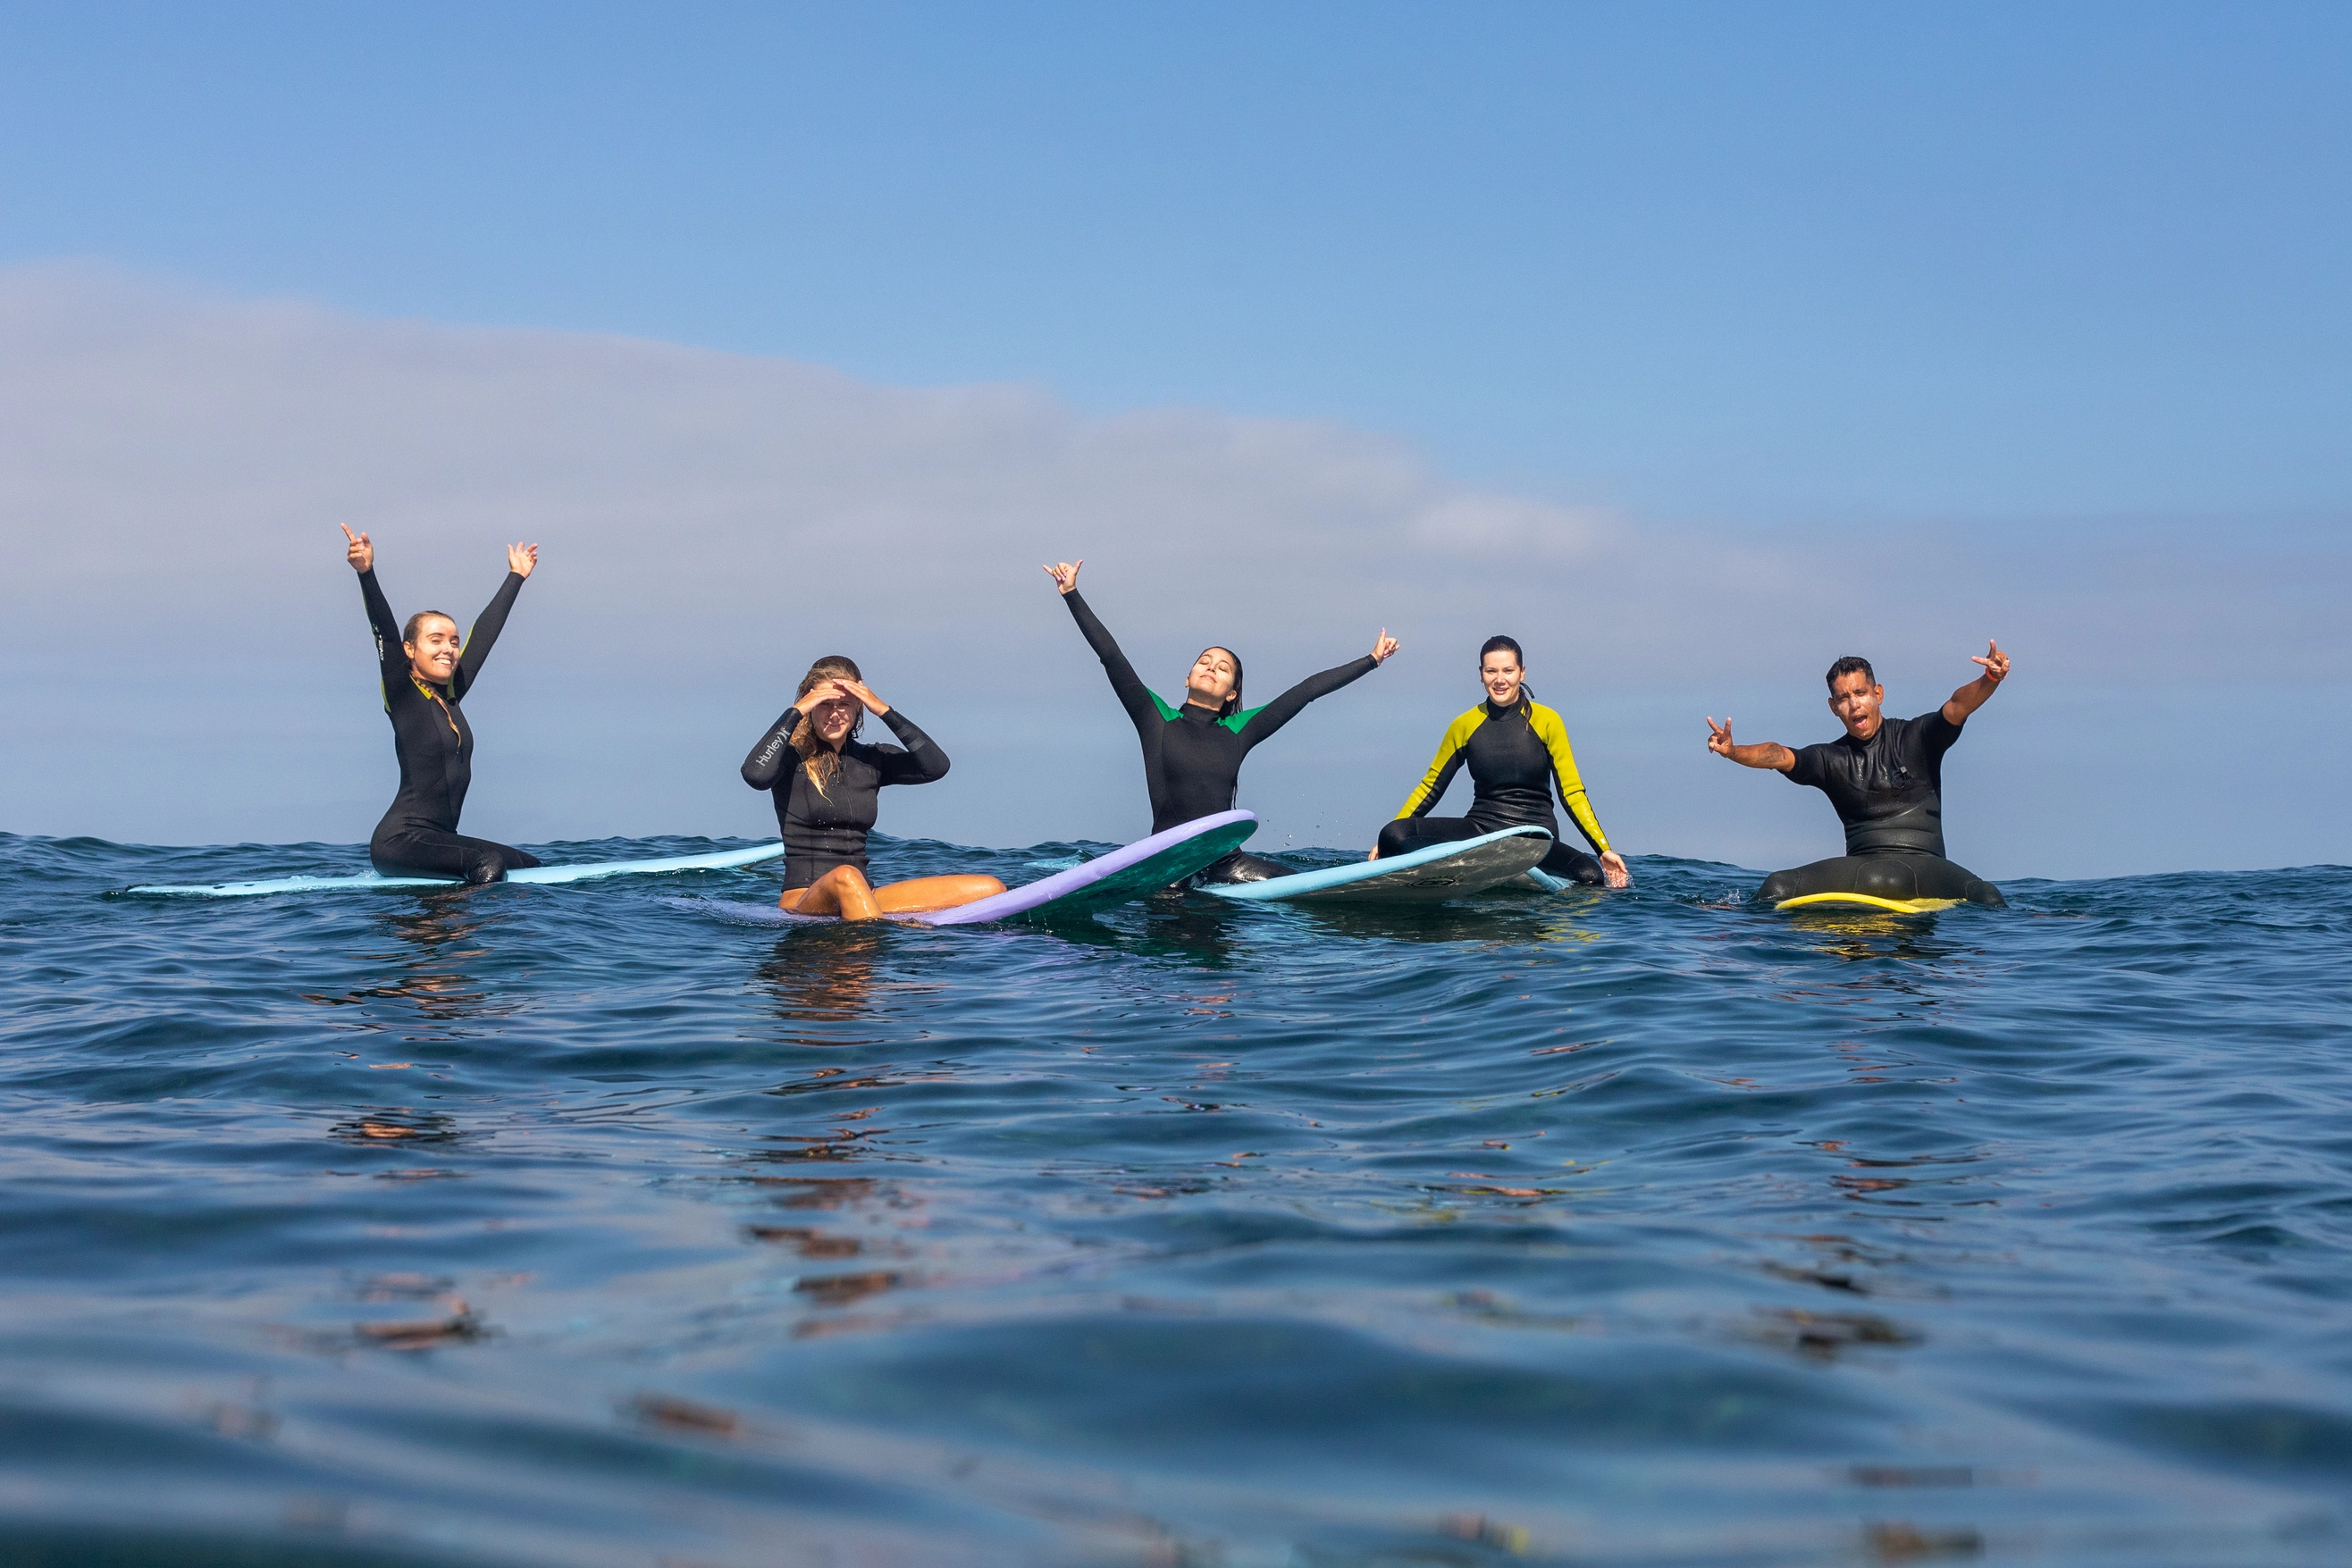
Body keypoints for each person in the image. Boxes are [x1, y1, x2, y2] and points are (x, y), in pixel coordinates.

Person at [1045, 559, 1399, 884]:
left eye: (1222, 668)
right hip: (1169, 863)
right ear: (1187, 678)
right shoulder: (1156, 718)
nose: (1211, 668)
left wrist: (1371, 660)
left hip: (1226, 862)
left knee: (1300, 887)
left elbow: (1306, 690)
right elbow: (1111, 656)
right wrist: (1071, 593)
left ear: (1232, 693)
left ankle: (1368, 881)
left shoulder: (1239, 730)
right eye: (1204, 662)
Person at [1705, 643, 2011, 907]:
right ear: (1833, 707)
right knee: (1778, 885)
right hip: (1863, 871)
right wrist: (1733, 751)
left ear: (1878, 694)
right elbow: (1780, 755)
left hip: (1927, 868)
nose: (1853, 704)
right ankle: (1738, 929)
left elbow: (1957, 707)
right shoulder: (1830, 759)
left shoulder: (1917, 737)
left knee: (1987, 895)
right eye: (1843, 698)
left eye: (1861, 693)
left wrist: (1990, 678)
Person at [343, 525, 543, 885]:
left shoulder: (450, 695)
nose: (448, 649)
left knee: (531, 866)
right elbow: (384, 632)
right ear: (409, 649)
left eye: (452, 641)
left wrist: (516, 577)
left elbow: (484, 636)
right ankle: (459, 922)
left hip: (440, 838)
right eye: (435, 640)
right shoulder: (403, 694)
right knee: (488, 863)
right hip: (400, 841)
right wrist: (366, 574)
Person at [741, 657, 1004, 919]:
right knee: (846, 876)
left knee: (990, 888)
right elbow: (755, 776)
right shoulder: (791, 760)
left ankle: (871, 920)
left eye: (844, 704)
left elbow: (936, 766)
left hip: (863, 894)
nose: (834, 713)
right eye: (824, 704)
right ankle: (881, 939)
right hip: (803, 900)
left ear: (858, 706)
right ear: (811, 705)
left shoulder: (871, 760)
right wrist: (795, 711)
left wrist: (883, 710)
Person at [1375, 635, 1632, 888]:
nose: (1500, 679)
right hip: (1481, 833)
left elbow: (1572, 792)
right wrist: (1388, 842)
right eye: (1491, 671)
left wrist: (1603, 849)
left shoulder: (1548, 721)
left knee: (1591, 876)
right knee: (1393, 833)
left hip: (1535, 840)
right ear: (1481, 674)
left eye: (1508, 670)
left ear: (1522, 672)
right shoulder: (1464, 725)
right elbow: (1430, 787)